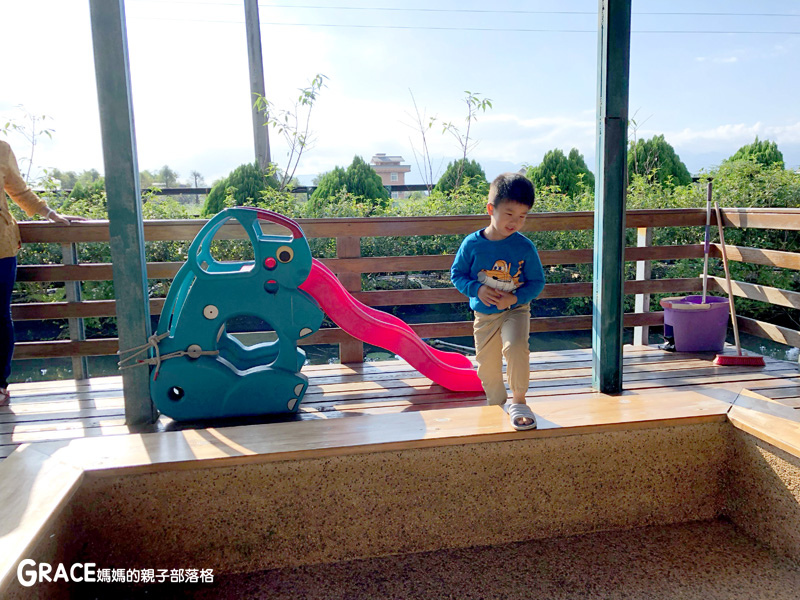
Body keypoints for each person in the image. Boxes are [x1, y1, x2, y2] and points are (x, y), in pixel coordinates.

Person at [451, 172, 545, 430]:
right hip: (485, 316)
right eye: (509, 214)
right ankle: (496, 405)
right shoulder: (472, 244)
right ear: (491, 209)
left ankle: (519, 402)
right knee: (488, 366)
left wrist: (515, 297)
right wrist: (476, 289)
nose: (515, 222)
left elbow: (537, 282)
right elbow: (457, 275)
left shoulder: (525, 247)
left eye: (522, 216)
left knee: (515, 347)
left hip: (516, 310)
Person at [1, 140, 84, 406]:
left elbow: (19, 191)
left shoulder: (1, 149)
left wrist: (50, 213)